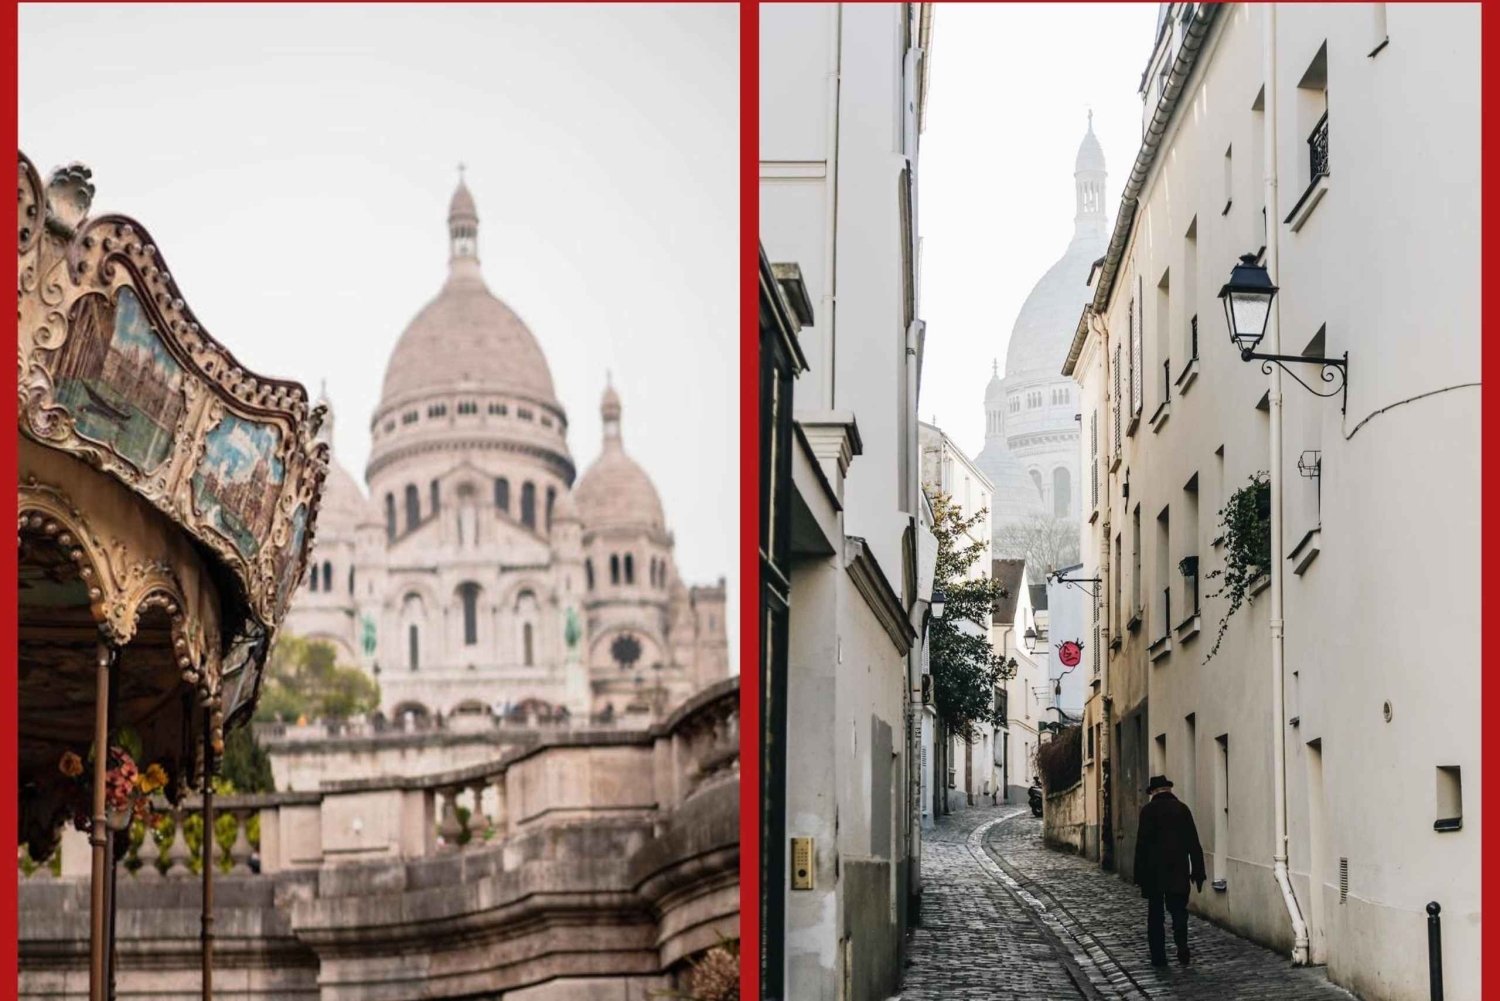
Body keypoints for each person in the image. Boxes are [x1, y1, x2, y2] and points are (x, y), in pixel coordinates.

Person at [1133, 775, 1206, 967]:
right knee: (1179, 911)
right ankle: (1181, 944)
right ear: (1169, 790)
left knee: (1155, 915)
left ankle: (1159, 956)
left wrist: (1138, 875)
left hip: (1153, 872)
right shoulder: (1182, 809)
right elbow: (1193, 843)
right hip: (1178, 870)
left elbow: (1141, 845)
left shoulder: (1148, 811)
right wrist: (1198, 871)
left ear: (1154, 792)